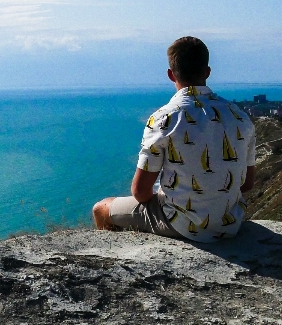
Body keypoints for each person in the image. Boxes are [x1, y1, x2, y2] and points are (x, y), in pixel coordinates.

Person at [92, 36, 256, 242]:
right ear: (207, 72)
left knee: (101, 208)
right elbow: (247, 184)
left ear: (171, 74)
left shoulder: (164, 119)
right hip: (231, 223)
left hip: (180, 224)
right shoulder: (239, 116)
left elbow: (141, 193)